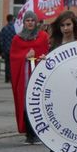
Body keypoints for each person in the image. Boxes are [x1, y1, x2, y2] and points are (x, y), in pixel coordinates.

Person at [48, 11, 77, 152]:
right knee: (64, 131)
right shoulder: (55, 43)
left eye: (68, 25)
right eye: (62, 25)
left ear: (74, 25)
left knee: (74, 131)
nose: (65, 28)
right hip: (61, 92)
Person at [9, 11, 49, 145]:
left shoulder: (43, 36)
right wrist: (24, 56)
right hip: (24, 79)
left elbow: (46, 53)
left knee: (38, 103)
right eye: (28, 20)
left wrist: (37, 55)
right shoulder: (17, 39)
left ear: (36, 22)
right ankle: (29, 133)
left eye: (32, 20)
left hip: (39, 78)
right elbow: (13, 56)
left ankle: (38, 132)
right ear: (24, 22)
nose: (30, 22)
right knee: (25, 104)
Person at [1, 14, 16, 83]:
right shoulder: (15, 28)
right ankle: (11, 77)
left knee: (7, 64)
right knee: (13, 64)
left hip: (6, 49)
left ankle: (7, 78)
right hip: (14, 49)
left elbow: (2, 40)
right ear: (12, 19)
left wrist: (2, 50)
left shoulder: (4, 28)